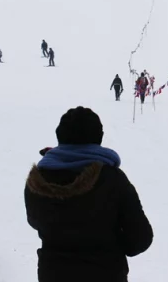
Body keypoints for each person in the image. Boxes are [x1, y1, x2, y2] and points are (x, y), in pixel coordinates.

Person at [25, 106, 153, 281]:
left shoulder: (38, 179)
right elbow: (140, 238)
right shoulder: (113, 179)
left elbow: (34, 220)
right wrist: (111, 246)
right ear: (98, 138)